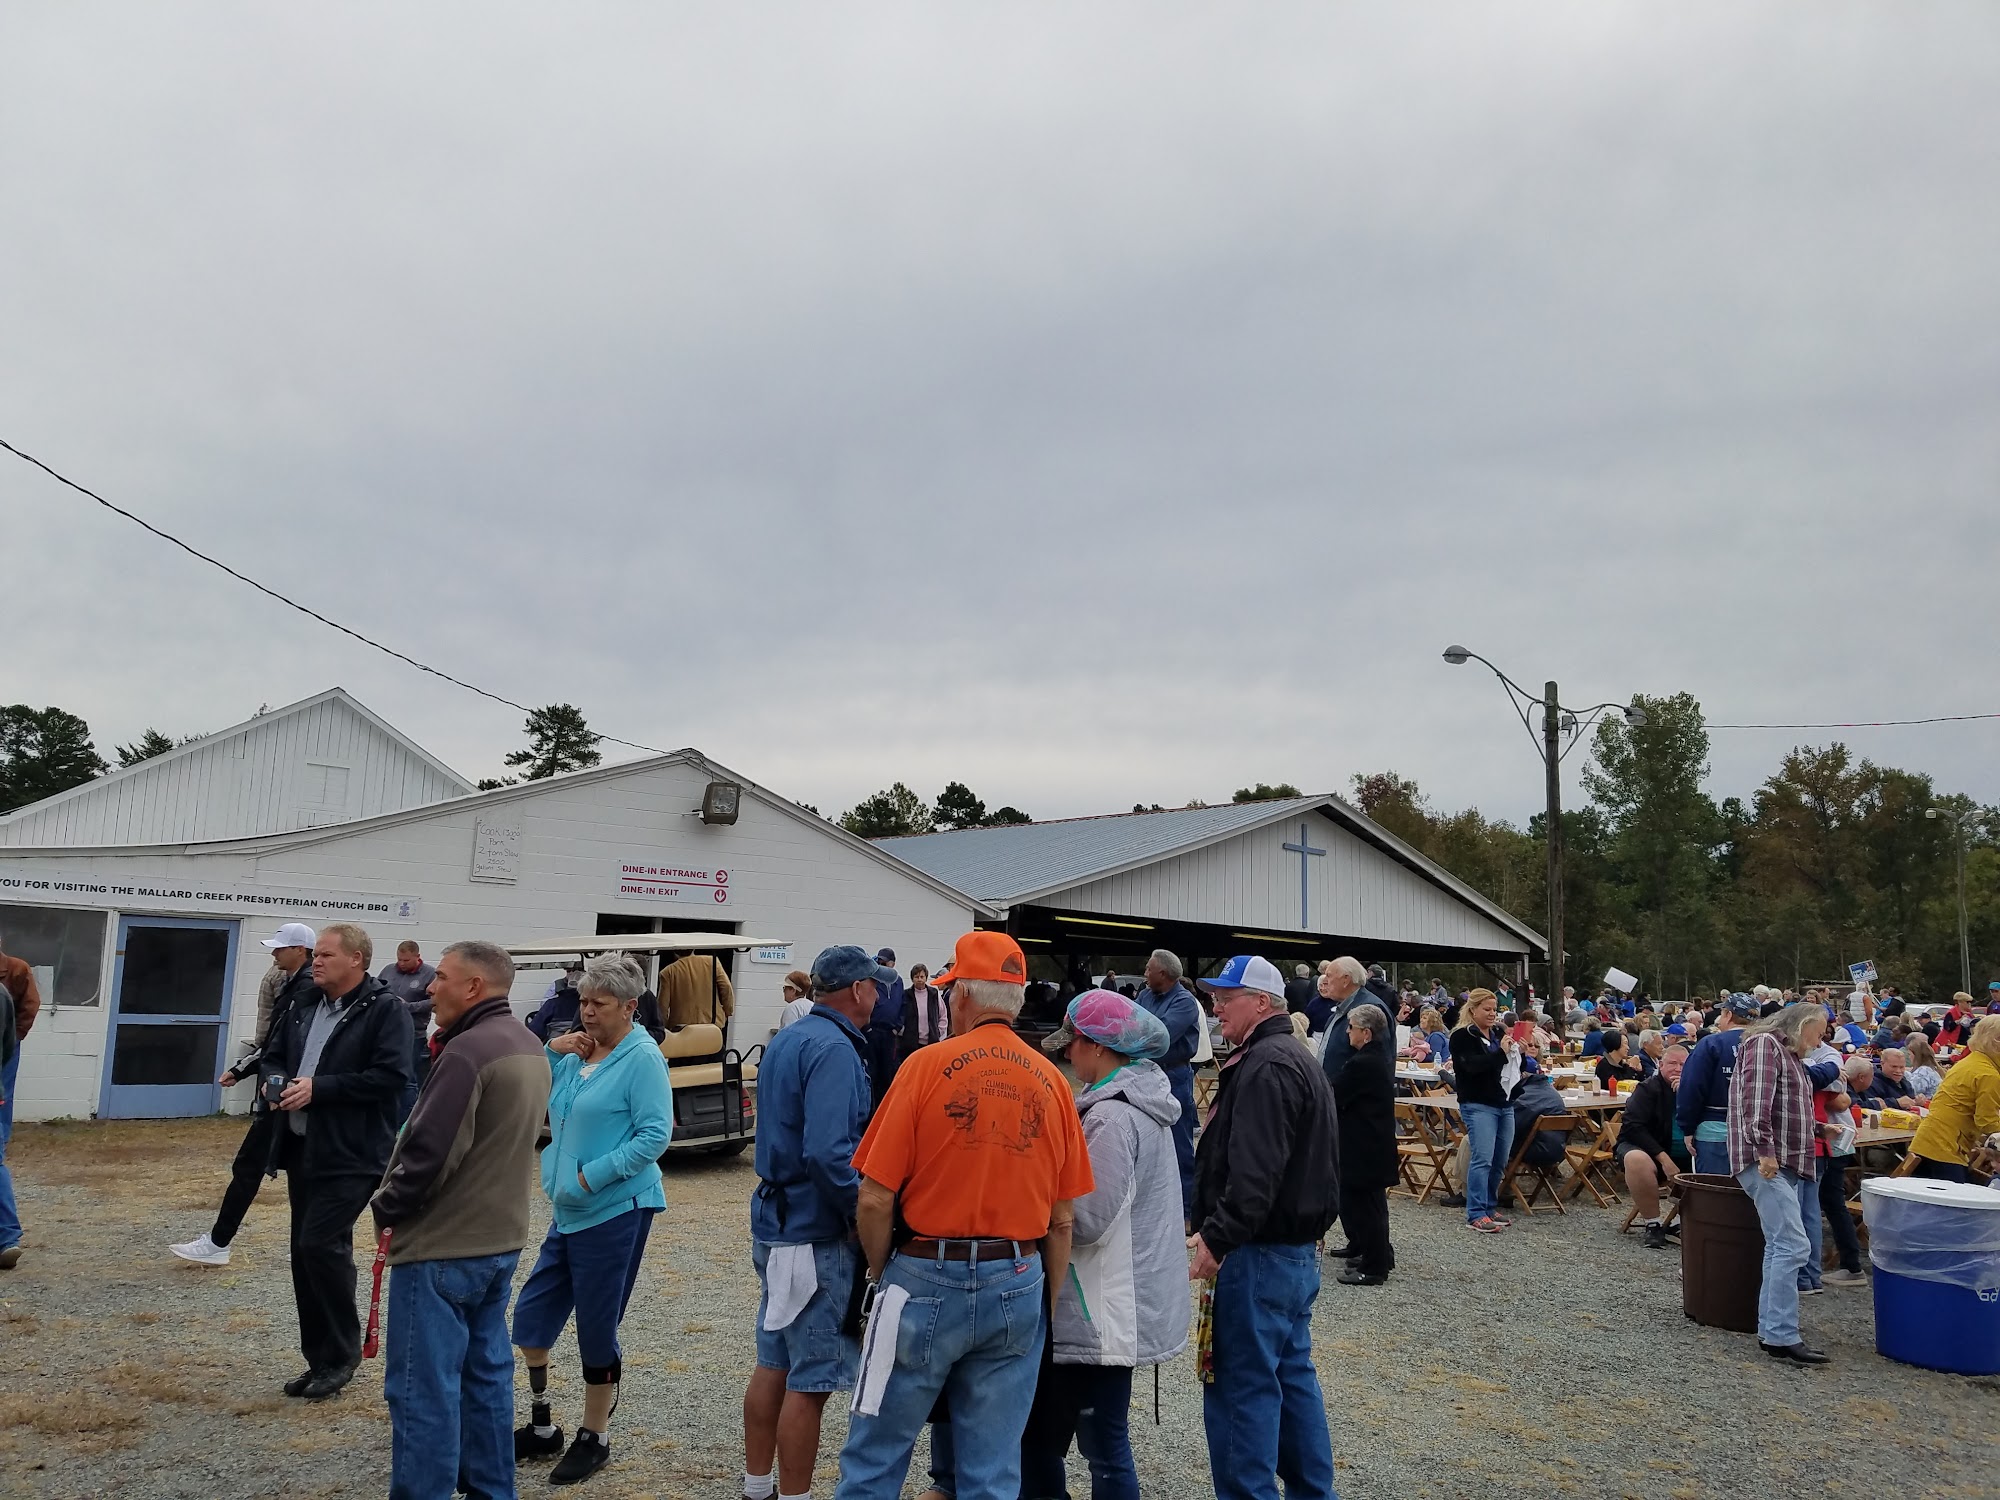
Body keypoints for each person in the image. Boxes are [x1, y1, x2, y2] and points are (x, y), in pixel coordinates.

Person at [832, 930, 1092, 1500]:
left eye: (952, 994)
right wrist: (1039, 1299)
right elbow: (1063, 1217)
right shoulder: (1054, 1082)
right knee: (993, 1472)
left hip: (924, 1272)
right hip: (1018, 1277)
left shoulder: (924, 1067)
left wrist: (882, 1273)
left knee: (875, 1456)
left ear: (965, 999)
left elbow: (875, 1198)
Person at [371, 940, 550, 1500]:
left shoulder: (468, 1051)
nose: (429, 986)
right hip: (499, 1242)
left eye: (441, 977)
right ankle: (493, 1490)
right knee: (486, 1380)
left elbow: (430, 1153)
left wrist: (386, 1204)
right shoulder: (527, 1043)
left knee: (422, 1391)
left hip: (443, 1247)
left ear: (474, 987)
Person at [512, 953, 672, 1485]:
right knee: (531, 1321)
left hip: (612, 1208)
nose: (586, 1012)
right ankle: (541, 1425)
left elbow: (654, 1136)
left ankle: (594, 1434)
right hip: (567, 1210)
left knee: (597, 1326)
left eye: (598, 1003)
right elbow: (529, 1086)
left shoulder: (642, 1057)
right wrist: (548, 1049)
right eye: (582, 1001)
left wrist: (589, 1178)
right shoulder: (577, 1051)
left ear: (629, 1007)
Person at [1021, 991, 1189, 1500]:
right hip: (1117, 1302)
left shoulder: (1112, 1118)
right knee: (1102, 1436)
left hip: (1100, 1304)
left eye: (1073, 1043)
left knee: (1052, 1441)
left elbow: (1087, 1219)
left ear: (1097, 1046)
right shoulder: (1138, 1102)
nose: (1068, 1054)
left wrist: (1032, 1199)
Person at [1188, 954, 1339, 1500]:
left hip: (1258, 1254)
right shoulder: (1290, 1057)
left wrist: (1217, 1238)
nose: (1216, 1005)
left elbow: (1255, 1175)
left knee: (1241, 1390)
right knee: (1292, 1380)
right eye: (1215, 995)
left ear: (1261, 1002)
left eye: (1227, 996)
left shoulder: (1267, 1064)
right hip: (1292, 1254)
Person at [743, 946, 880, 1500]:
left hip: (777, 1220)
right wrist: (859, 1213)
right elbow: (828, 1152)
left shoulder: (792, 1036)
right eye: (874, 984)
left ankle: (757, 1488)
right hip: (812, 1229)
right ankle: (795, 1496)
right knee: (812, 1378)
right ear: (855, 990)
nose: (879, 992)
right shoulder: (834, 1048)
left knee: (772, 1359)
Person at [262, 923, 414, 1400]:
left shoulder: (386, 1011)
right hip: (303, 1146)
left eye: (327, 954)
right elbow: (273, 1055)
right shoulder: (304, 1003)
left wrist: (320, 1089)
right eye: (317, 955)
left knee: (319, 1245)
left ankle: (342, 1354)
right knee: (305, 1254)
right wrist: (274, 1082)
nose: (317, 962)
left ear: (357, 960)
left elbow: (391, 1077)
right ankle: (319, 1359)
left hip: (352, 1152)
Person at [171, 923, 319, 1266]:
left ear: (300, 950)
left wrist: (258, 1072)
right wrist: (244, 1069)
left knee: (255, 1167)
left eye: (281, 948)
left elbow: (285, 1044)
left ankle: (219, 1242)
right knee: (285, 1172)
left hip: (287, 1094)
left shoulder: (306, 987)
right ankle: (297, 1247)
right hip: (283, 1088)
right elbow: (276, 1043)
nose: (274, 953)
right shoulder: (292, 983)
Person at [1728, 1003, 1832, 1364]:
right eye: (1818, 1032)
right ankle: (1780, 1333)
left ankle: (1775, 1332)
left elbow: (1785, 1105)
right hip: (1766, 1160)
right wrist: (1764, 1151)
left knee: (1781, 1244)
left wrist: (1820, 1128)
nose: (1821, 1040)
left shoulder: (1784, 1052)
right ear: (1801, 1025)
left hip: (1778, 1158)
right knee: (1792, 1243)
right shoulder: (1766, 1046)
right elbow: (1756, 1104)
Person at [1130, 949, 1202, 1222]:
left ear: (1163, 973)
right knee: (1143, 1135)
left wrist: (1134, 1035)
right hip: (1143, 1072)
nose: (1145, 974)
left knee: (1178, 1141)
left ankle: (1187, 1211)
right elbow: (1131, 1024)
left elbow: (1159, 1036)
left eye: (1149, 969)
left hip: (1173, 1076)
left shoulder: (1185, 1002)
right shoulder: (1146, 995)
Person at [1329, 1003, 1397, 1287]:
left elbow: (1335, 1092)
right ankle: (1370, 1251)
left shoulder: (1364, 1063)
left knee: (1367, 1207)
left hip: (1365, 1143)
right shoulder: (1374, 1057)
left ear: (1366, 1033)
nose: (1348, 1033)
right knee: (1369, 1204)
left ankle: (1374, 1266)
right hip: (1371, 1141)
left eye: (1351, 1028)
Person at [1451, 988, 1519, 1235]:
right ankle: (1476, 1212)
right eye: (1487, 1009)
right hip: (1478, 1103)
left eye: (1494, 1009)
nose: (1492, 1014)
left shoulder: (1498, 1032)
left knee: (1500, 1159)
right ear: (1473, 1010)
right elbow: (1472, 1067)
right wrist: (1500, 1053)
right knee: (1483, 1158)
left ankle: (1490, 1205)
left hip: (1504, 1102)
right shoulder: (1461, 1037)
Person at [1907, 1016, 2000, 1182]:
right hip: (1947, 1146)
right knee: (1955, 1202)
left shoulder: (1968, 1063)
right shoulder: (1989, 1074)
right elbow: (1987, 1122)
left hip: (1927, 1139)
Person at [1676, 992, 1759, 1175]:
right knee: (1750, 1198)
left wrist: (1687, 1127)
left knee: (1713, 1195)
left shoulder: (1711, 1044)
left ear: (1728, 1014)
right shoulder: (1767, 1045)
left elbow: (1691, 1087)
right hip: (1757, 1135)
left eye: (1722, 1014)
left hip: (1715, 1131)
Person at [1616, 1042, 1689, 1248]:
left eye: (1683, 1065)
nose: (1677, 1068)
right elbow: (1633, 1128)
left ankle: (1677, 1222)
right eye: (1672, 1063)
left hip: (1687, 1154)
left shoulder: (1697, 1091)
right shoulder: (1647, 1089)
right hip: (1646, 1149)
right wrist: (1663, 1158)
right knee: (1636, 1160)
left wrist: (1686, 1093)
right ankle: (1653, 1224)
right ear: (1661, 1065)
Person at [0, 929, 41, 1271]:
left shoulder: (15, 970)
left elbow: (29, 1006)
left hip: (4, 1051)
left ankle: (6, 1237)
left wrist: (13, 1040)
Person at [1813, 1058, 1869, 1289]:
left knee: (1830, 1203)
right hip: (1837, 1138)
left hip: (1833, 1139)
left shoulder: (1823, 1060)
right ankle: (1850, 1264)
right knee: (1831, 1203)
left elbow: (1840, 1101)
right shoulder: (1824, 1061)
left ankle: (1851, 1266)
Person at [378, 940, 438, 1122]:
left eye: (406, 960)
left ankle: (405, 1123)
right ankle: (386, 1116)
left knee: (408, 1078)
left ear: (417, 957)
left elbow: (434, 1002)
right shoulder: (389, 970)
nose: (401, 964)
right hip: (387, 1031)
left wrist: (408, 1007)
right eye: (399, 960)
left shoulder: (430, 974)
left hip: (413, 1033)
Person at [1508, 1058, 1570, 1174]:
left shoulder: (1524, 1096)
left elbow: (1511, 1127)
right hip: (1558, 1149)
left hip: (1537, 1151)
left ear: (1521, 1074)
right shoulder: (1551, 1091)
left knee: (1498, 1143)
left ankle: (1502, 1185)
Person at [660, 950, 736, 1030]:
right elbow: (726, 987)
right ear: (693, 949)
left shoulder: (668, 972)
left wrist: (664, 1027)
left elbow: (663, 1006)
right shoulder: (712, 962)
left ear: (675, 951)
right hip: (711, 1024)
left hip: (681, 1027)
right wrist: (728, 1010)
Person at [900, 963, 950, 1052]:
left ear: (926, 978)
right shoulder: (905, 995)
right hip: (910, 1044)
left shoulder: (934, 994)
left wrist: (938, 1032)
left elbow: (943, 1015)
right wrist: (903, 1032)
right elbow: (899, 1014)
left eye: (922, 977)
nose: (919, 979)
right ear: (912, 979)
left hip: (931, 1042)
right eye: (916, 977)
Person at [1903, 1034, 1945, 1101]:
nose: (1909, 1057)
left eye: (1909, 1054)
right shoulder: (1932, 1069)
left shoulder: (1924, 1071)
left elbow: (1911, 1091)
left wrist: (1904, 1073)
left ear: (1916, 1055)